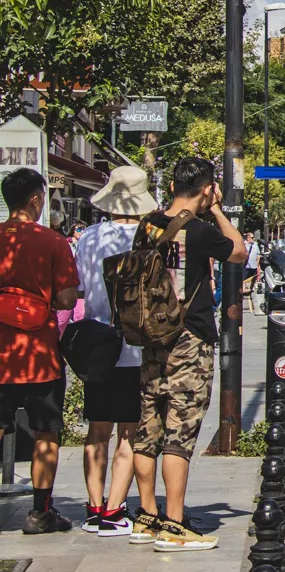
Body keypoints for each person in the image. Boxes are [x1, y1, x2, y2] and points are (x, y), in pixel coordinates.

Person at [131, 156, 247, 551]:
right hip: (188, 339)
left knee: (148, 431)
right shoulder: (197, 230)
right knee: (179, 434)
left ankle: (146, 517)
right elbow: (238, 251)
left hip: (150, 339)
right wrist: (216, 208)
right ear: (204, 188)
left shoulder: (147, 224)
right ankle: (174, 524)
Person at [73, 167, 154, 536]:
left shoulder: (88, 237)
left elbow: (78, 287)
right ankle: (114, 510)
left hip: (96, 344)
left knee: (96, 430)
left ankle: (93, 506)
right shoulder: (148, 237)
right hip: (135, 347)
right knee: (129, 432)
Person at [0, 168, 80, 534]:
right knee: (46, 432)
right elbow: (65, 298)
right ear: (35, 200)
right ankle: (40, 512)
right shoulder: (52, 242)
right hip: (40, 357)